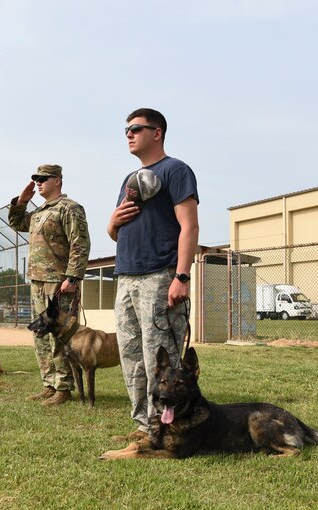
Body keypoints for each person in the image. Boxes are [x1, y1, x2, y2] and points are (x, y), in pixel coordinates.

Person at [107, 108, 199, 441]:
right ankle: (144, 425)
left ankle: (164, 426)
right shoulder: (129, 180)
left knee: (158, 357)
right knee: (130, 355)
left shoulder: (176, 170)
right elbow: (114, 232)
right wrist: (113, 221)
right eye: (126, 130)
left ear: (156, 132)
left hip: (159, 275)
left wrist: (181, 276)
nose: (129, 134)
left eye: (136, 128)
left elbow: (189, 225)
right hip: (127, 275)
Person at [8, 164, 91, 406]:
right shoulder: (39, 212)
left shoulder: (70, 208)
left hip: (59, 283)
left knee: (61, 337)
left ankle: (64, 387)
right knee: (41, 334)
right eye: (36, 178)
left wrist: (73, 277)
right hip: (37, 281)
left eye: (43, 178)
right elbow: (17, 223)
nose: (38, 182)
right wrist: (20, 202)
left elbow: (80, 243)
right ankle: (49, 383)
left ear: (57, 180)